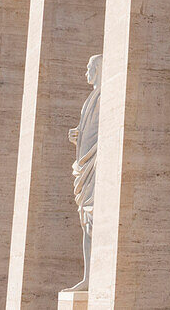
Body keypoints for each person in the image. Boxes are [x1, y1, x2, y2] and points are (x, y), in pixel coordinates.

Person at [64, 53, 101, 293]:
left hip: (95, 165)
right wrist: (77, 134)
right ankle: (87, 277)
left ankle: (93, 277)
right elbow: (89, 129)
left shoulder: (103, 95)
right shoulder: (90, 98)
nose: (85, 72)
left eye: (89, 68)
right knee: (85, 222)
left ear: (98, 69)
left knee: (93, 220)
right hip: (85, 166)